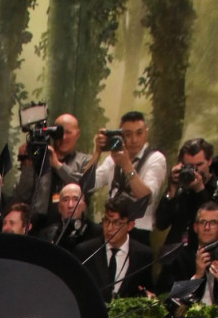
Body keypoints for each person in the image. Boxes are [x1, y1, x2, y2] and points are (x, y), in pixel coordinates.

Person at [91, 111, 167, 245]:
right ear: (121, 135)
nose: (134, 140)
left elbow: (146, 198)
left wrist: (127, 166)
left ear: (146, 132)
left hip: (138, 231)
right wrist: (97, 152)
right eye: (128, 134)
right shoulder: (112, 159)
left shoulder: (155, 158)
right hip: (111, 228)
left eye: (139, 133)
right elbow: (88, 185)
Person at [13, 112, 92, 229]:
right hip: (40, 225)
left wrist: (57, 165)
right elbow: (23, 195)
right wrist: (27, 165)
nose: (63, 137)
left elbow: (86, 185)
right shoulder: (40, 158)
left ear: (77, 134)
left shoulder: (85, 160)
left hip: (73, 225)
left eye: (68, 133)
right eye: (59, 133)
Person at [73, 196, 155, 302]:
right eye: (106, 221)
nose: (109, 228)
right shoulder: (85, 251)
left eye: (117, 223)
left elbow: (147, 290)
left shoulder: (144, 255)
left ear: (130, 225)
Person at [155, 137, 218, 250]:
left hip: (203, 255)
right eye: (190, 166)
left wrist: (200, 190)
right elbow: (161, 223)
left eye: (199, 165)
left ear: (209, 161)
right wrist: (172, 188)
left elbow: (211, 224)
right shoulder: (180, 186)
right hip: (174, 256)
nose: (195, 170)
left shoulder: (216, 187)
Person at [158, 200, 218, 300]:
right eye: (203, 222)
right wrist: (197, 276)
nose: (207, 227)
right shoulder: (177, 257)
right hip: (189, 315)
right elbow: (165, 298)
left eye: (213, 223)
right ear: (195, 227)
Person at [36, 182, 96, 249]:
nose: (70, 205)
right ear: (59, 207)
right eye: (65, 200)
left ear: (84, 206)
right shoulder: (45, 235)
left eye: (76, 199)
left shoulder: (96, 233)